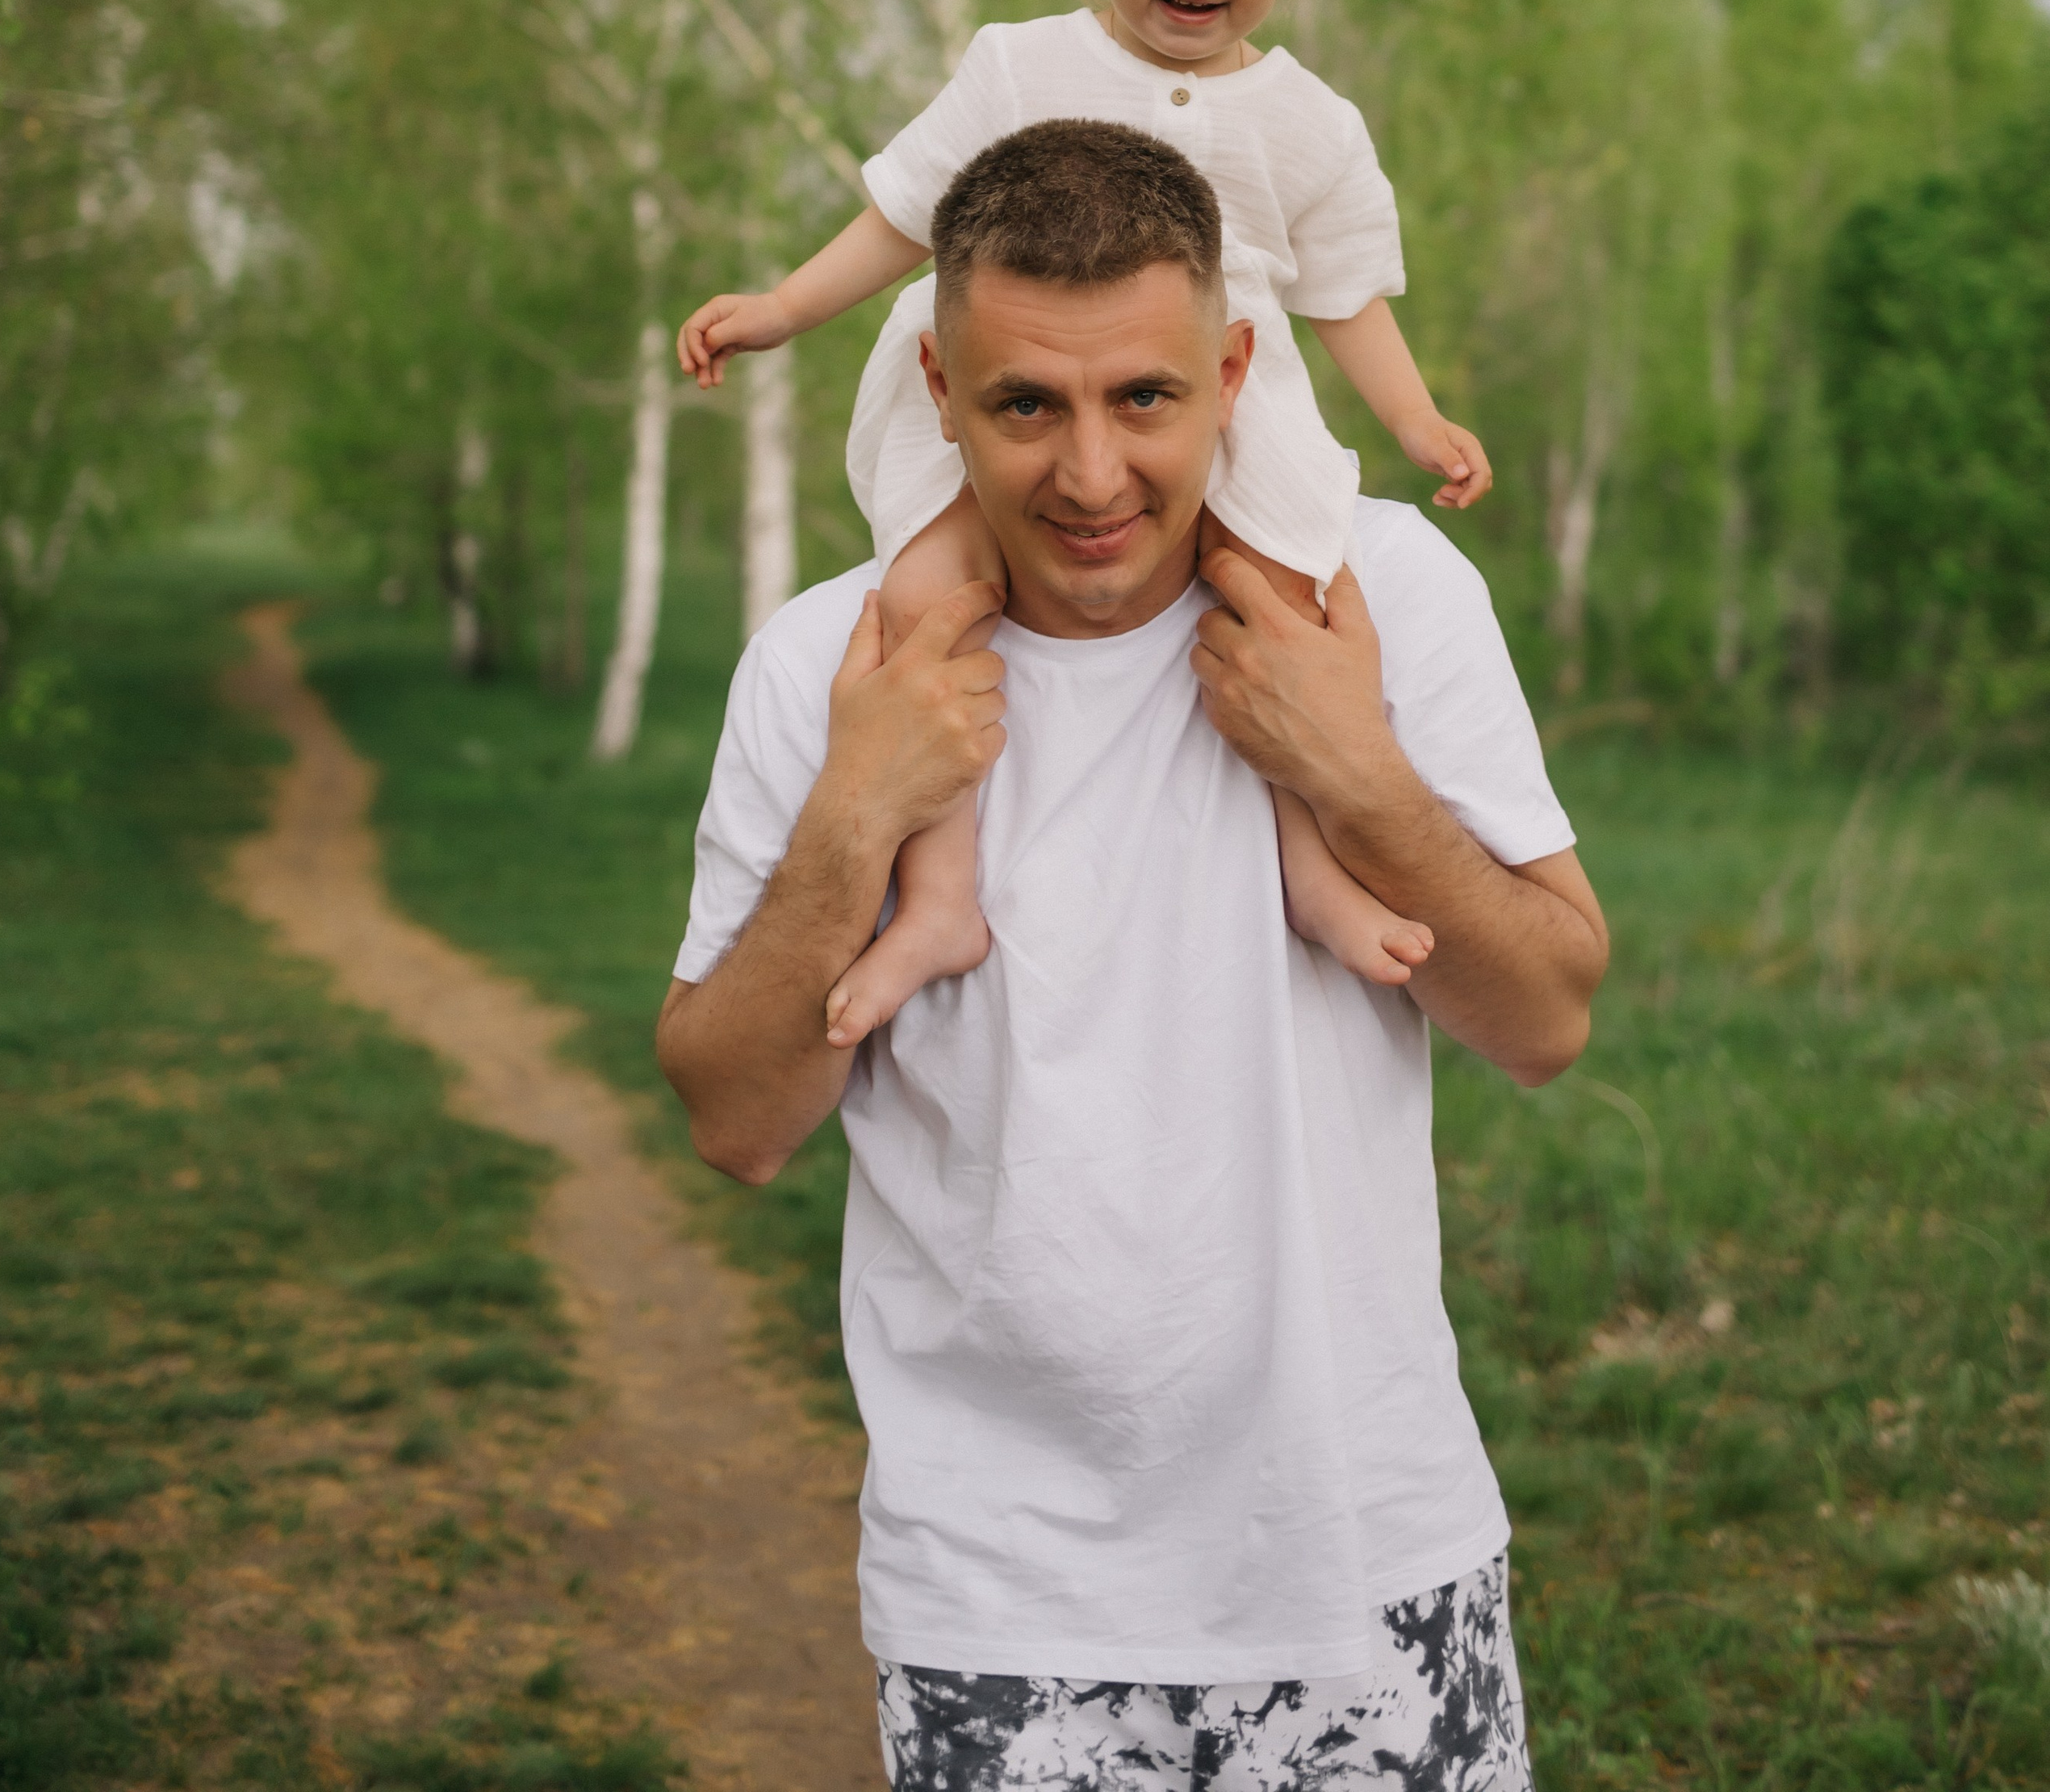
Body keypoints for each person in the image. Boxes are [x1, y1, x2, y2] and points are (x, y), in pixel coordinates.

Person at [657, 119, 1607, 1792]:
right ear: (938, 393)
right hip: (999, 1601)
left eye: (1143, 400)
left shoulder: (1377, 600)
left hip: (1364, 1558)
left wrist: (1354, 777)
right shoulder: (828, 665)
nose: (1089, 476)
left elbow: (1540, 1019)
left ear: (1233, 369)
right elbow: (734, 1121)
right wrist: (854, 819)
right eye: (1026, 404)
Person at [676, 0, 1492, 1045]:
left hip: (1229, 404)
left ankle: (1310, 868)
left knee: (1288, 611)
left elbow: (1347, 295)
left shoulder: (1312, 125)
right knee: (923, 605)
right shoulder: (1018, 67)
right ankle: (938, 894)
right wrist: (781, 307)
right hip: (1028, 389)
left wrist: (1415, 421)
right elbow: (901, 211)